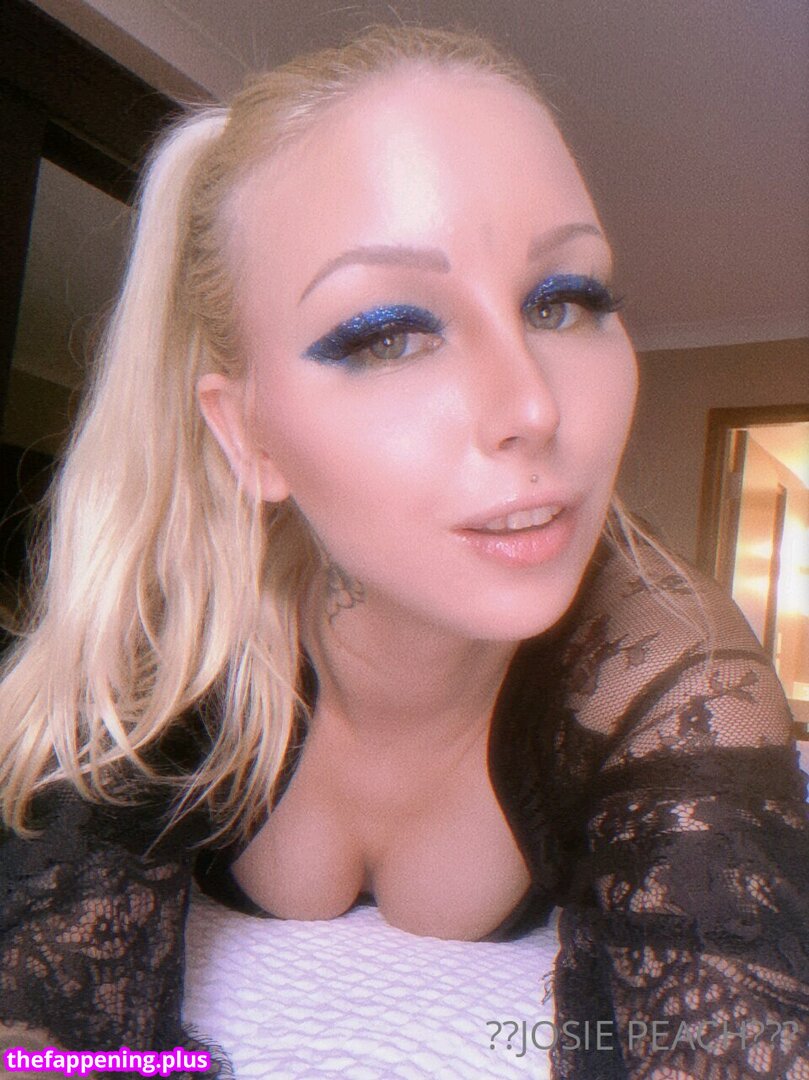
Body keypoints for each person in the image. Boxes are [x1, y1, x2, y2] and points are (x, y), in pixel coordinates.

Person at [1, 24, 807, 1080]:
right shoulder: (171, 630)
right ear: (247, 434)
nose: (531, 407)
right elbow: (41, 1035)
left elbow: (718, 1041)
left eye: (564, 301)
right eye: (388, 334)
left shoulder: (666, 664)